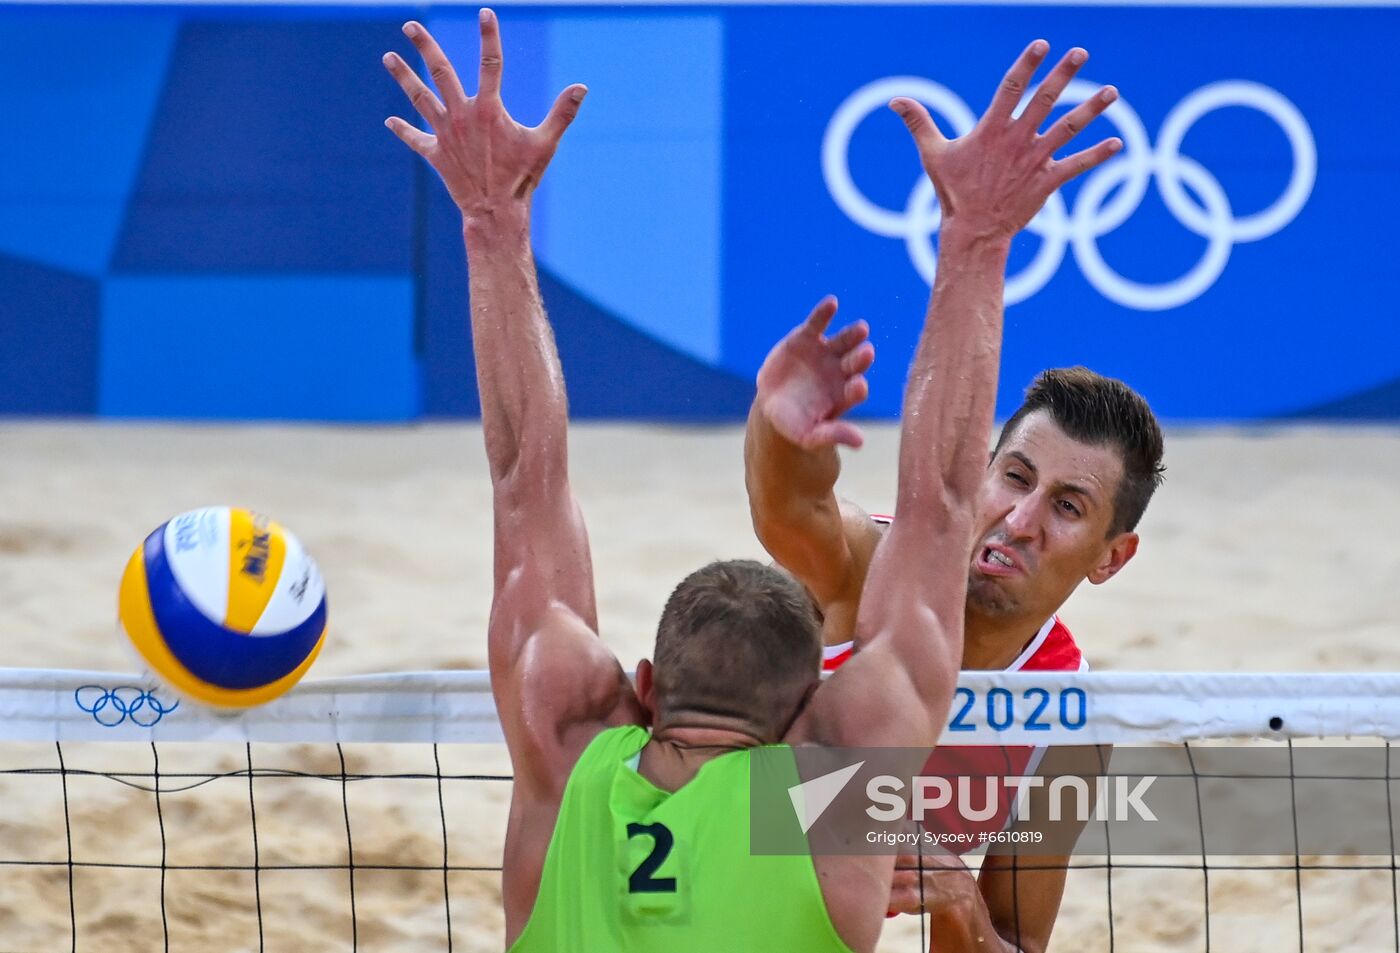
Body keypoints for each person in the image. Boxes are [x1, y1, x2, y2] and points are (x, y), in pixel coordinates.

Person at [383, 11, 1120, 950]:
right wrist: (977, 237)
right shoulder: (833, 793)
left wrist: (491, 221)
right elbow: (940, 505)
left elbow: (525, 477)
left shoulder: (565, 748)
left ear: (644, 686)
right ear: (806, 710)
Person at [745, 53, 1165, 953]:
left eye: (1065, 505)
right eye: (1014, 477)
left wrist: (961, 906)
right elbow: (793, 514)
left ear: (1108, 556)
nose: (1018, 519)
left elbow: (1012, 943)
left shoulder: (1068, 727)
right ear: (979, 471)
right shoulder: (873, 569)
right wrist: (778, 430)